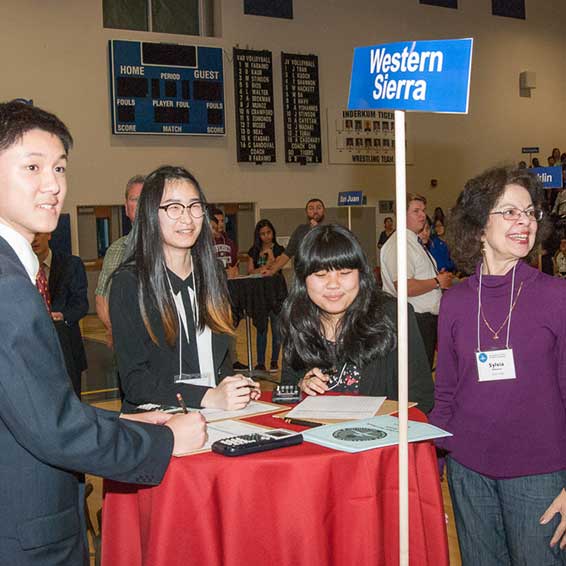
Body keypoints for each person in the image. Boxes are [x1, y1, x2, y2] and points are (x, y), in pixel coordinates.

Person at [0, 100, 207, 565]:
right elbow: (54, 429)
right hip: (24, 533)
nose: (52, 185)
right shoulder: (6, 287)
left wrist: (126, 422)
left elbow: (36, 409)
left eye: (59, 167)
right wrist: (165, 441)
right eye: (31, 167)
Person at [429, 165, 566, 565]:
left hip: (540, 476)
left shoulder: (556, 296)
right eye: (509, 212)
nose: (524, 222)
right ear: (477, 227)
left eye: (530, 213)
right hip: (467, 471)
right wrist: (434, 464)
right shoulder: (454, 301)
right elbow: (447, 393)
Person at [110, 165, 260, 413]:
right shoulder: (129, 283)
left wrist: (234, 387)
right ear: (150, 214)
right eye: (174, 207)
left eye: (194, 206)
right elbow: (135, 382)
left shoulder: (213, 277)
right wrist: (209, 396)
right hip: (157, 421)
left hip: (213, 416)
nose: (187, 218)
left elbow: (219, 363)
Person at [280, 224, 434, 412]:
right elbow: (285, 392)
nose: (333, 285)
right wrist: (301, 386)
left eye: (344, 273)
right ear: (303, 279)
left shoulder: (394, 316)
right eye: (321, 274)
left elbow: (421, 397)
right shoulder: (297, 320)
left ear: (361, 274)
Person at [380, 193, 453, 368]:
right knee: (416, 377)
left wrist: (437, 277)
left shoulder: (413, 241)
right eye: (416, 211)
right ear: (402, 214)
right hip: (415, 320)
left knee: (424, 371)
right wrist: (437, 281)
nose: (422, 215)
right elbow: (405, 286)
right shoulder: (400, 244)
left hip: (423, 320)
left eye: (423, 210)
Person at [32, 232, 88, 397]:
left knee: (74, 402)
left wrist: (62, 316)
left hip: (67, 348)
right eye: (31, 235)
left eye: (38, 234)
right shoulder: (19, 269)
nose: (35, 239)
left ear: (48, 235)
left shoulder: (71, 264)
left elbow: (81, 304)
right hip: (36, 352)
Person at [95, 174, 144, 347]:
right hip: (124, 344)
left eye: (145, 200)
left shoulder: (171, 248)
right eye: (135, 199)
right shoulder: (115, 250)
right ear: (126, 208)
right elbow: (101, 297)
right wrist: (117, 330)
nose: (140, 206)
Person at [247, 219, 287, 371]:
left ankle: (274, 360)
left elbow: (274, 266)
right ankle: (260, 362)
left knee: (277, 329)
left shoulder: (279, 249)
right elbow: (251, 271)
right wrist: (262, 269)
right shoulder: (253, 250)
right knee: (261, 328)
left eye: (268, 232)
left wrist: (270, 254)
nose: (266, 236)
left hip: (276, 292)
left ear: (273, 233)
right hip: (260, 293)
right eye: (262, 234)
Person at [262, 198, 325, 275]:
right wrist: (272, 271)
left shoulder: (331, 230)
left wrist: (318, 229)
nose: (315, 211)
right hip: (302, 274)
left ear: (323, 211)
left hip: (324, 274)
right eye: (311, 208)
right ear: (306, 212)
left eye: (318, 208)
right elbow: (287, 254)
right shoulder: (300, 230)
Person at [210, 206, 239, 278]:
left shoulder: (230, 243)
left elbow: (235, 266)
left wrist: (234, 271)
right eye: (217, 221)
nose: (220, 224)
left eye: (222, 221)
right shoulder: (206, 243)